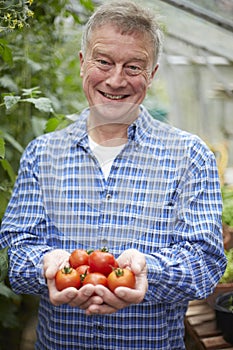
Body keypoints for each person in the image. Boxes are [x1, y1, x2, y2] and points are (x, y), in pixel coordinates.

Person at [0, 1, 227, 349]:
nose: (116, 79)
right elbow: (16, 250)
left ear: (151, 74)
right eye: (103, 61)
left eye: (133, 66)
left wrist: (147, 272)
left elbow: (206, 262)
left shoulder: (189, 156)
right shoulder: (43, 153)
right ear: (82, 63)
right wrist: (45, 266)